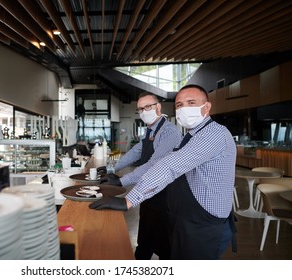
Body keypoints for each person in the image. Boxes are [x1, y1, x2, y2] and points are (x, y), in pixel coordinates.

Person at [91, 84, 237, 260]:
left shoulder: (212, 134)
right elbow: (137, 152)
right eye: (179, 105)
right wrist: (113, 170)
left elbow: (168, 165)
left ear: (206, 107)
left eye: (191, 102)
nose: (184, 109)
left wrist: (128, 199)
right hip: (185, 216)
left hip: (203, 223)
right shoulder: (191, 136)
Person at [101, 92, 182, 260]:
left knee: (165, 246)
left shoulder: (169, 132)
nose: (144, 111)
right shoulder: (149, 130)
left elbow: (154, 164)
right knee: (144, 240)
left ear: (158, 107)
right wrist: (112, 169)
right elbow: (136, 152)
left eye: (148, 107)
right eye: (140, 109)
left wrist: (122, 180)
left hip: (164, 195)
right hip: (148, 194)